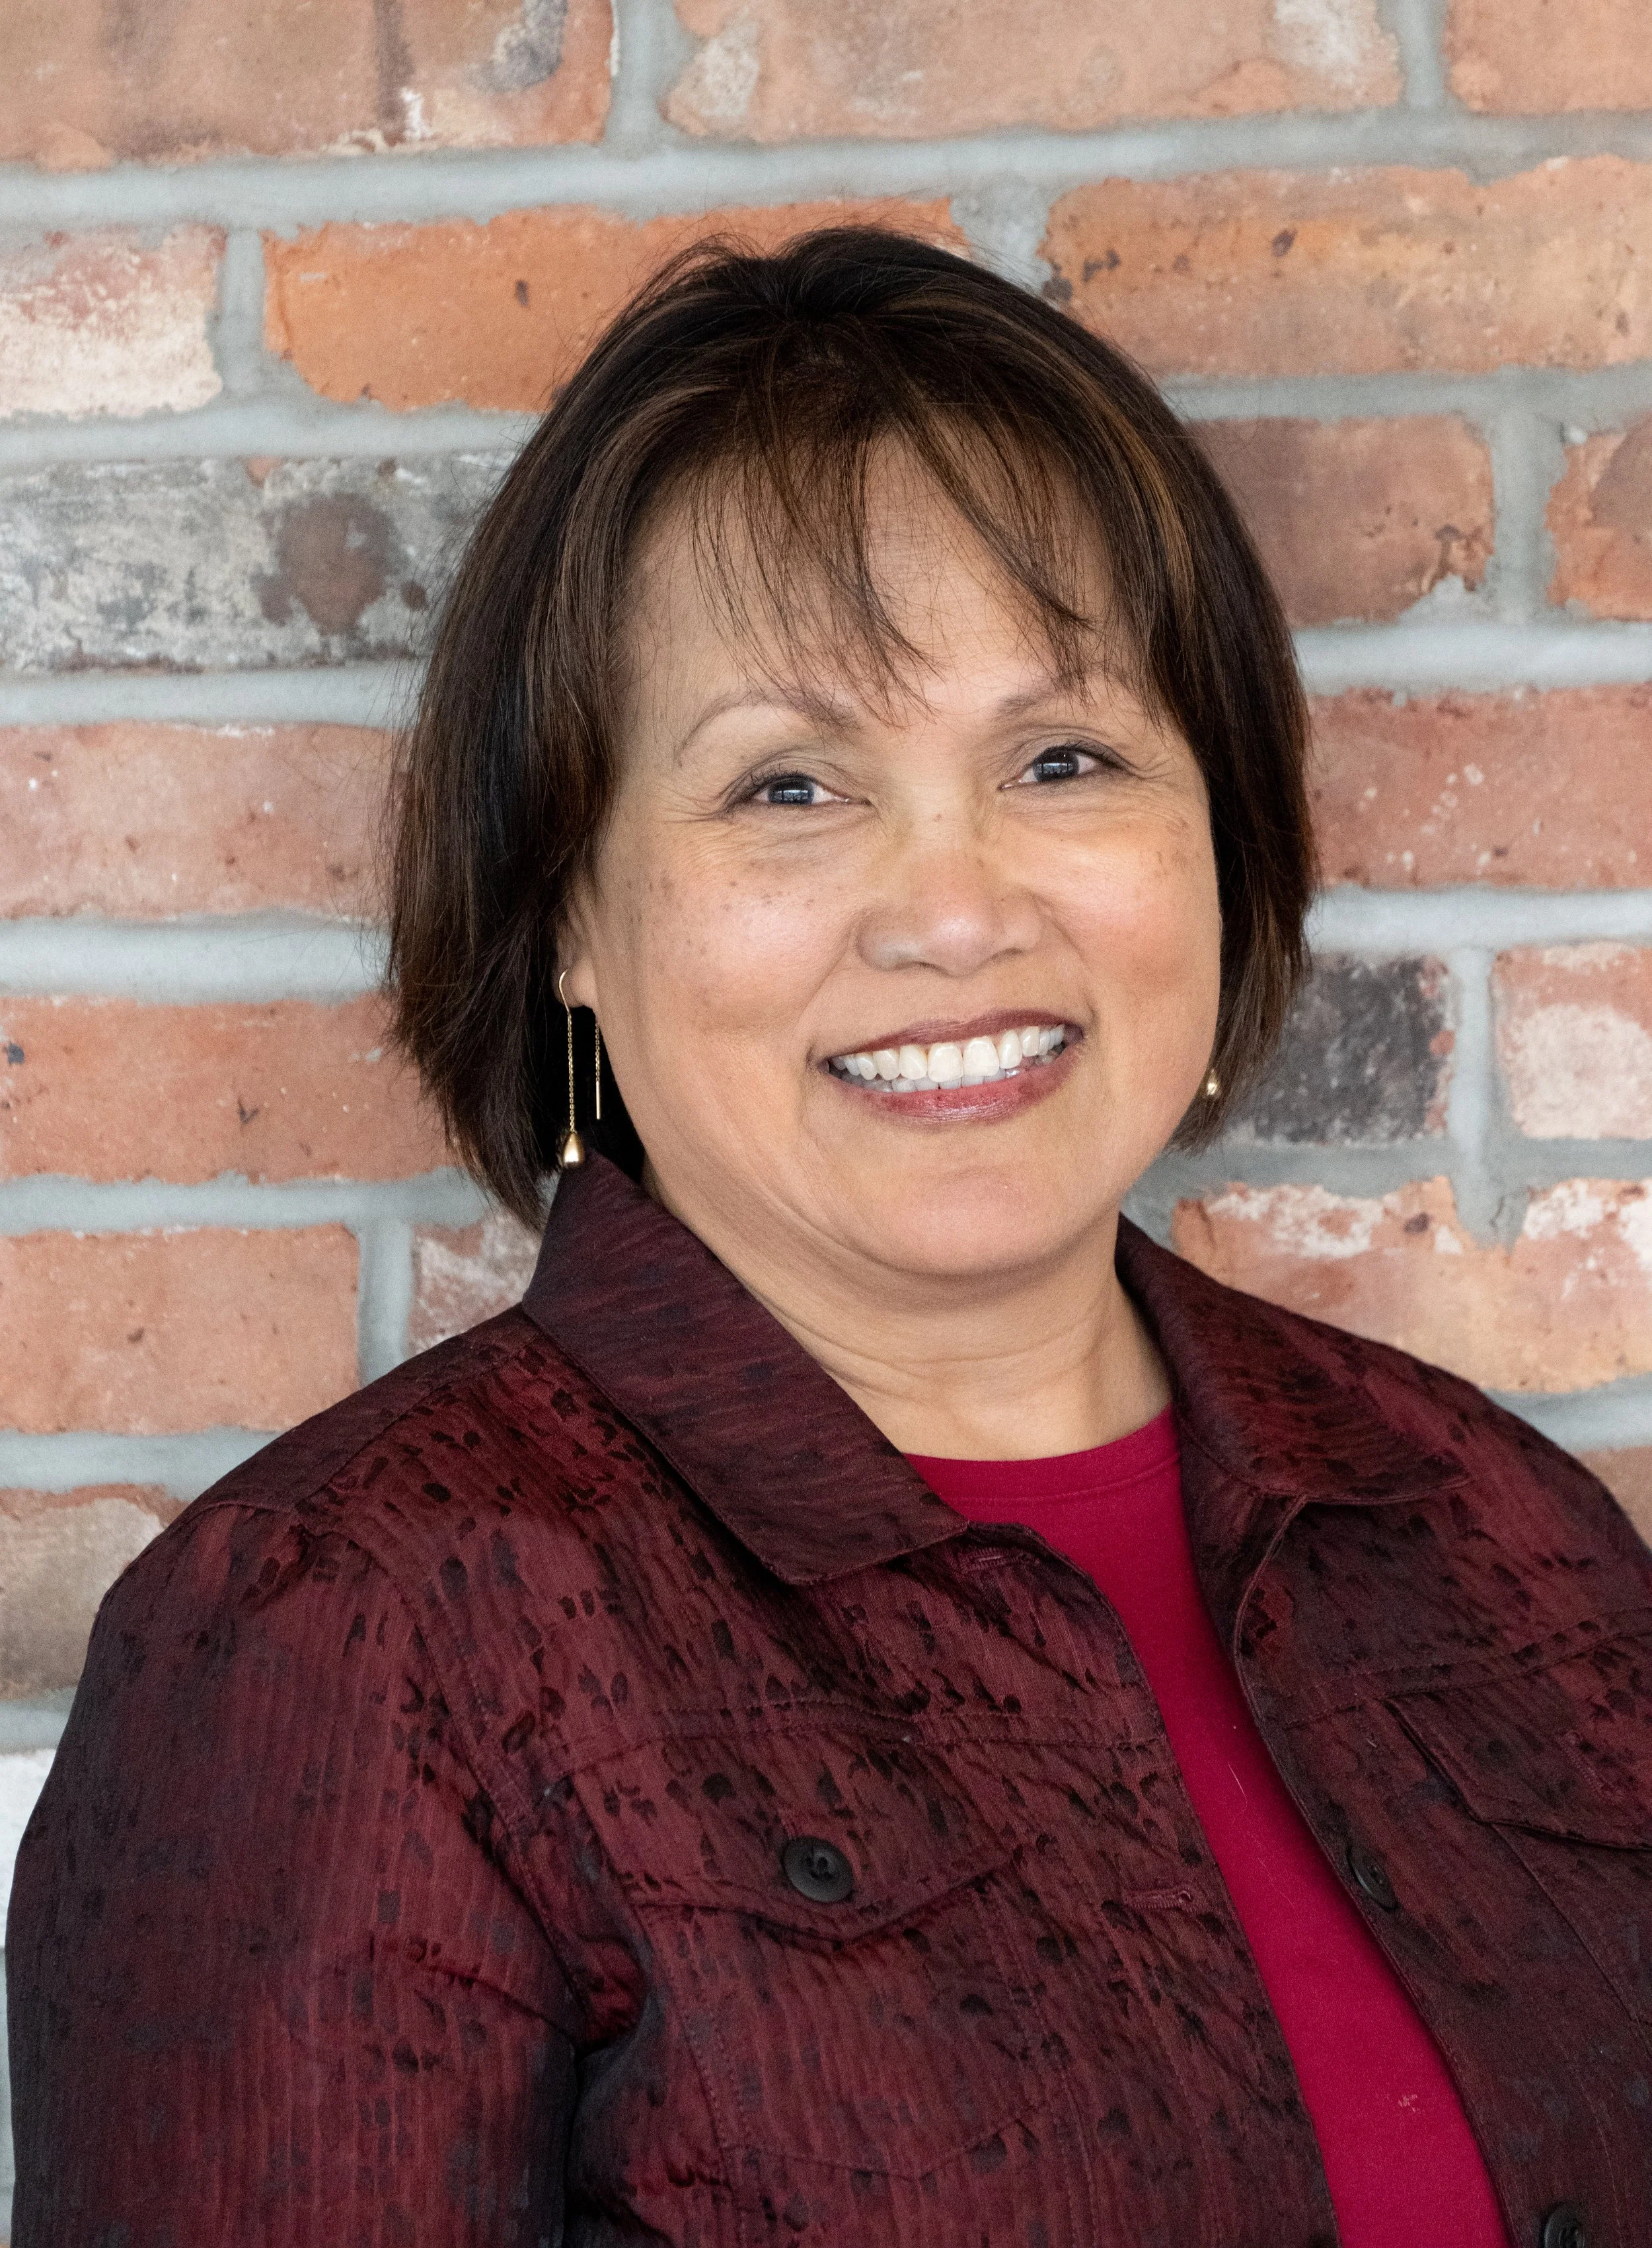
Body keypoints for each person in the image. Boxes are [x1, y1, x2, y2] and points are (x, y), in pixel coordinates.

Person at [9, 229, 1647, 2248]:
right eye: (786, 786)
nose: (949, 911)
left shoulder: (1488, 1528)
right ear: (576, 927)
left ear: (1218, 835)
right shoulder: (344, 1635)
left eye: (1062, 760)